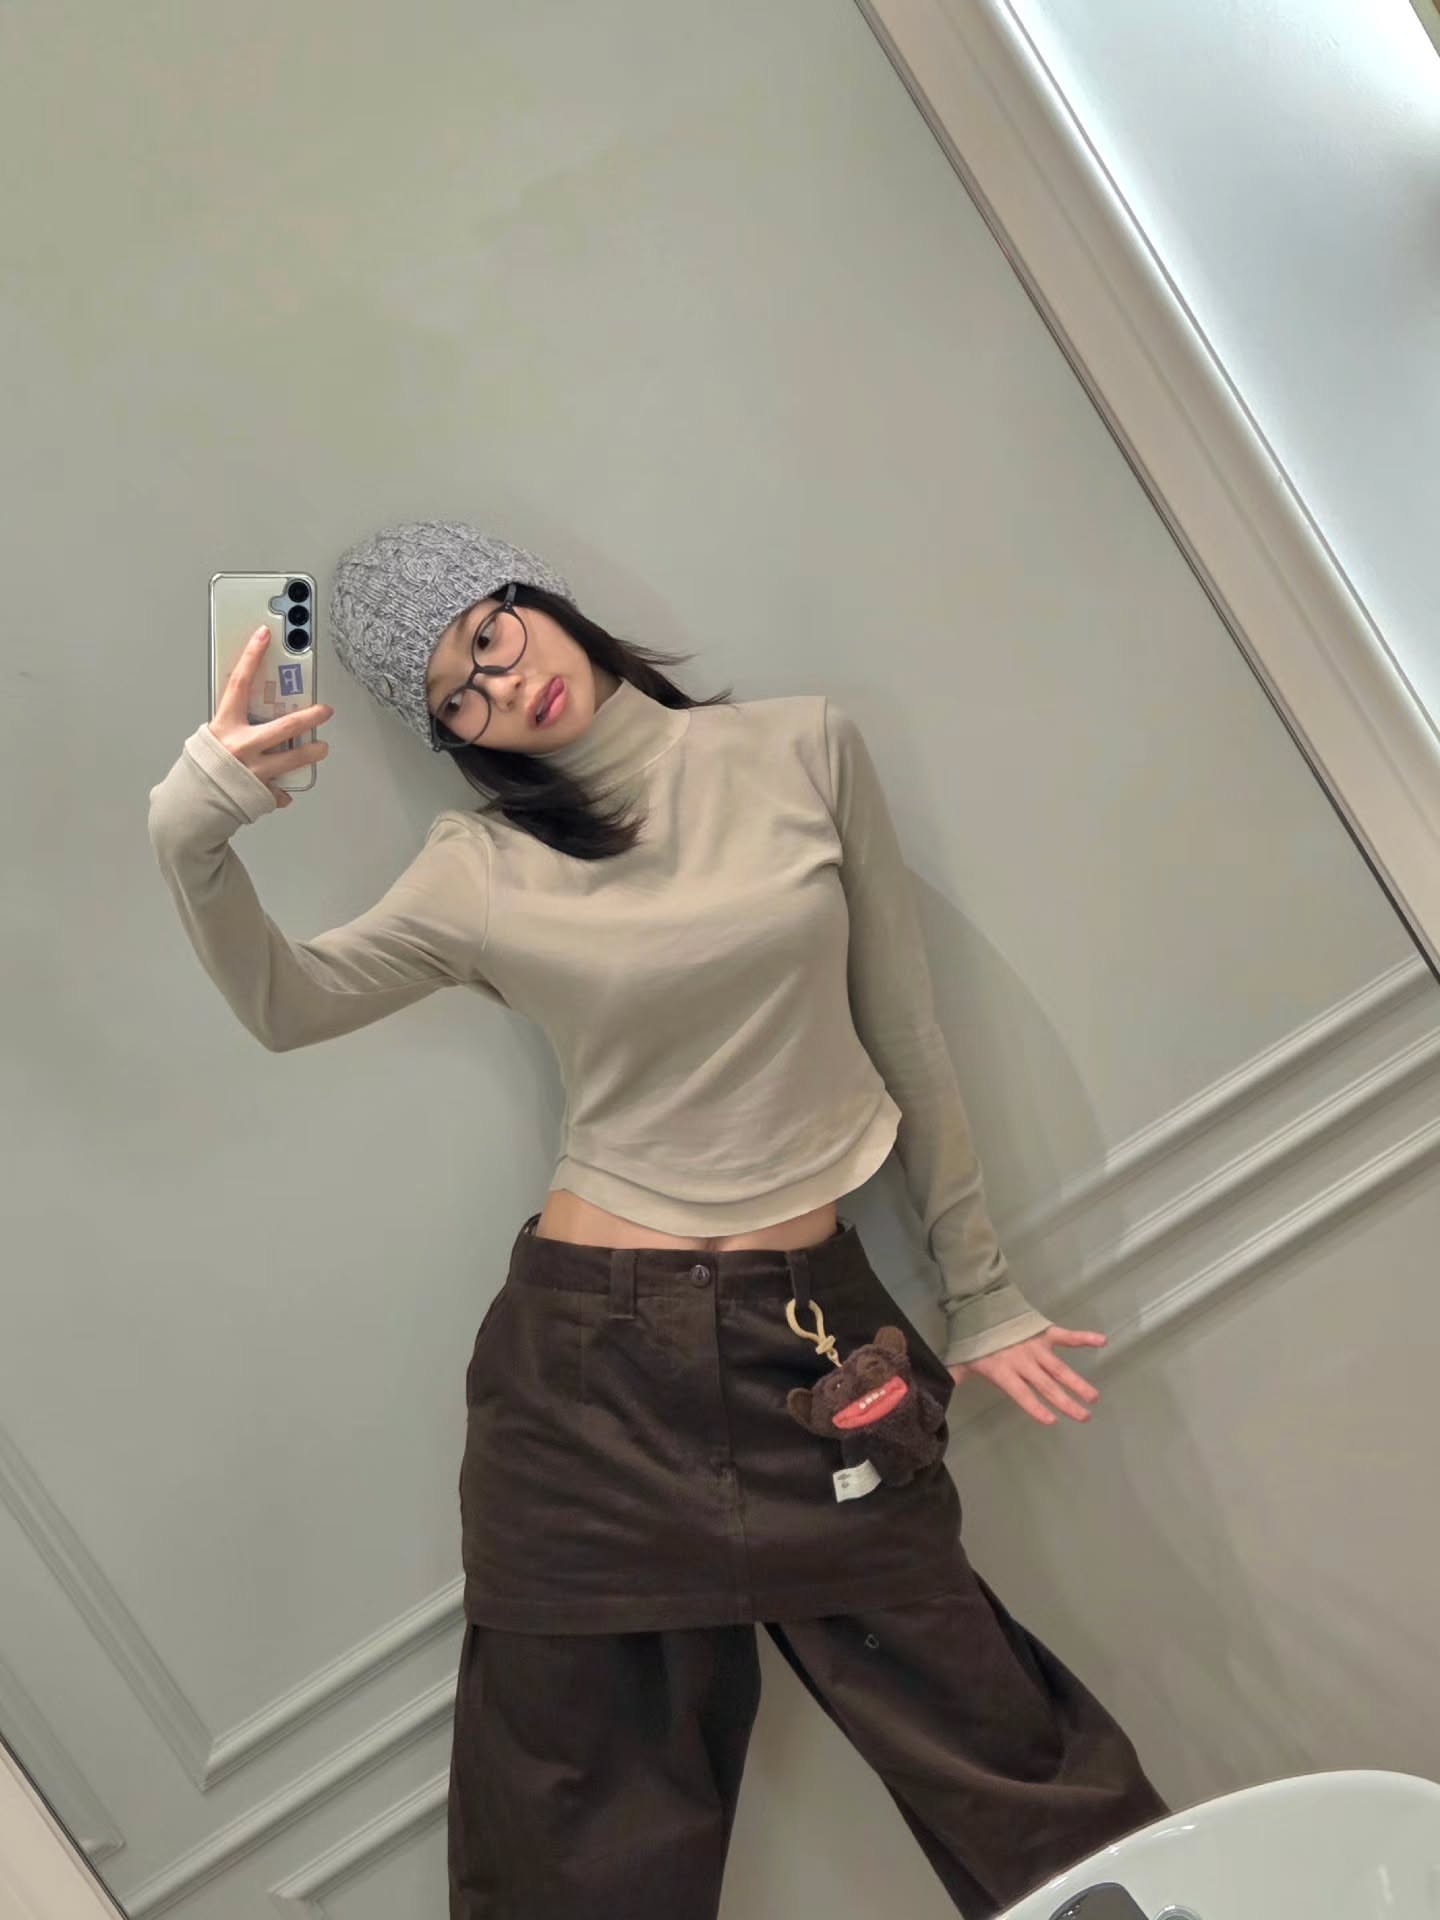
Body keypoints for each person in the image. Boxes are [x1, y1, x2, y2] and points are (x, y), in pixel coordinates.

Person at [147, 521, 1165, 1918]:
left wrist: (980, 1292)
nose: (501, 684)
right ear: (451, 739)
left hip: (815, 1347)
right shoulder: (478, 865)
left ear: (534, 599)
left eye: (489, 633)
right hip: (589, 1383)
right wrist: (192, 836)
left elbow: (909, 1042)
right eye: (456, 695)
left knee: (1021, 1778)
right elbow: (285, 1004)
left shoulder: (805, 750)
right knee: (572, 1860)